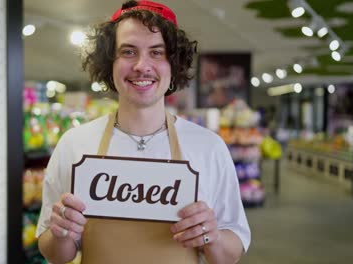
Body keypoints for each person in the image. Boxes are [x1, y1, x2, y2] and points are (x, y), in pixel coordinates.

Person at [36, 1, 250, 263]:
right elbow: (55, 254)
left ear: (174, 64)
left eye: (157, 52)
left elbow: (230, 255)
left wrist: (211, 235)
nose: (141, 65)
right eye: (128, 51)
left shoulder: (209, 147)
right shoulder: (74, 144)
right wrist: (60, 233)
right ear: (109, 63)